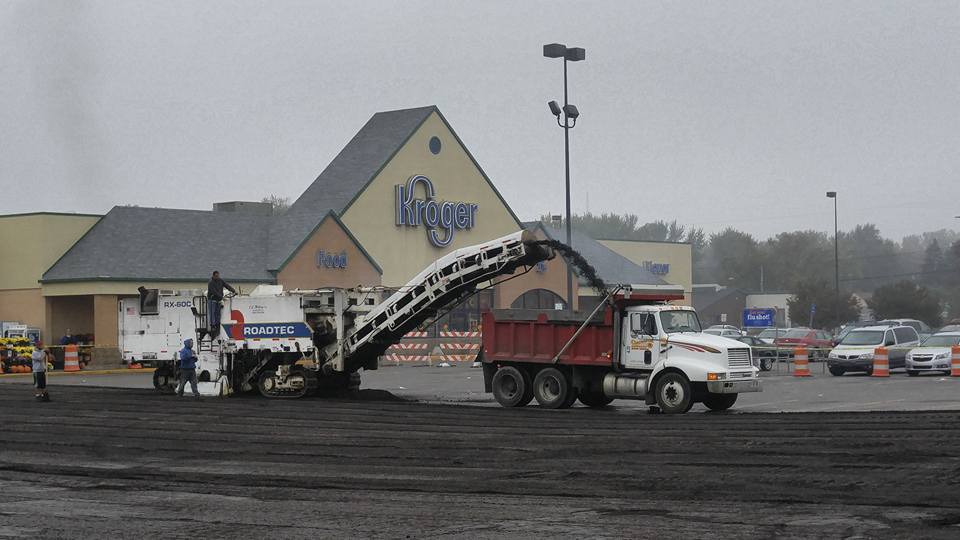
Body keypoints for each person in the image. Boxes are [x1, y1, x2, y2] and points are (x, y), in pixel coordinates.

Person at [207, 271, 236, 337]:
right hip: (212, 300)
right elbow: (213, 291)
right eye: (216, 276)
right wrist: (221, 297)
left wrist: (233, 290)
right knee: (212, 313)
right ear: (213, 276)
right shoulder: (211, 282)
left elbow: (226, 285)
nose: (217, 277)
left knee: (218, 313)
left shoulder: (220, 280)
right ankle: (213, 326)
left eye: (218, 276)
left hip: (218, 300)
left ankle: (217, 325)